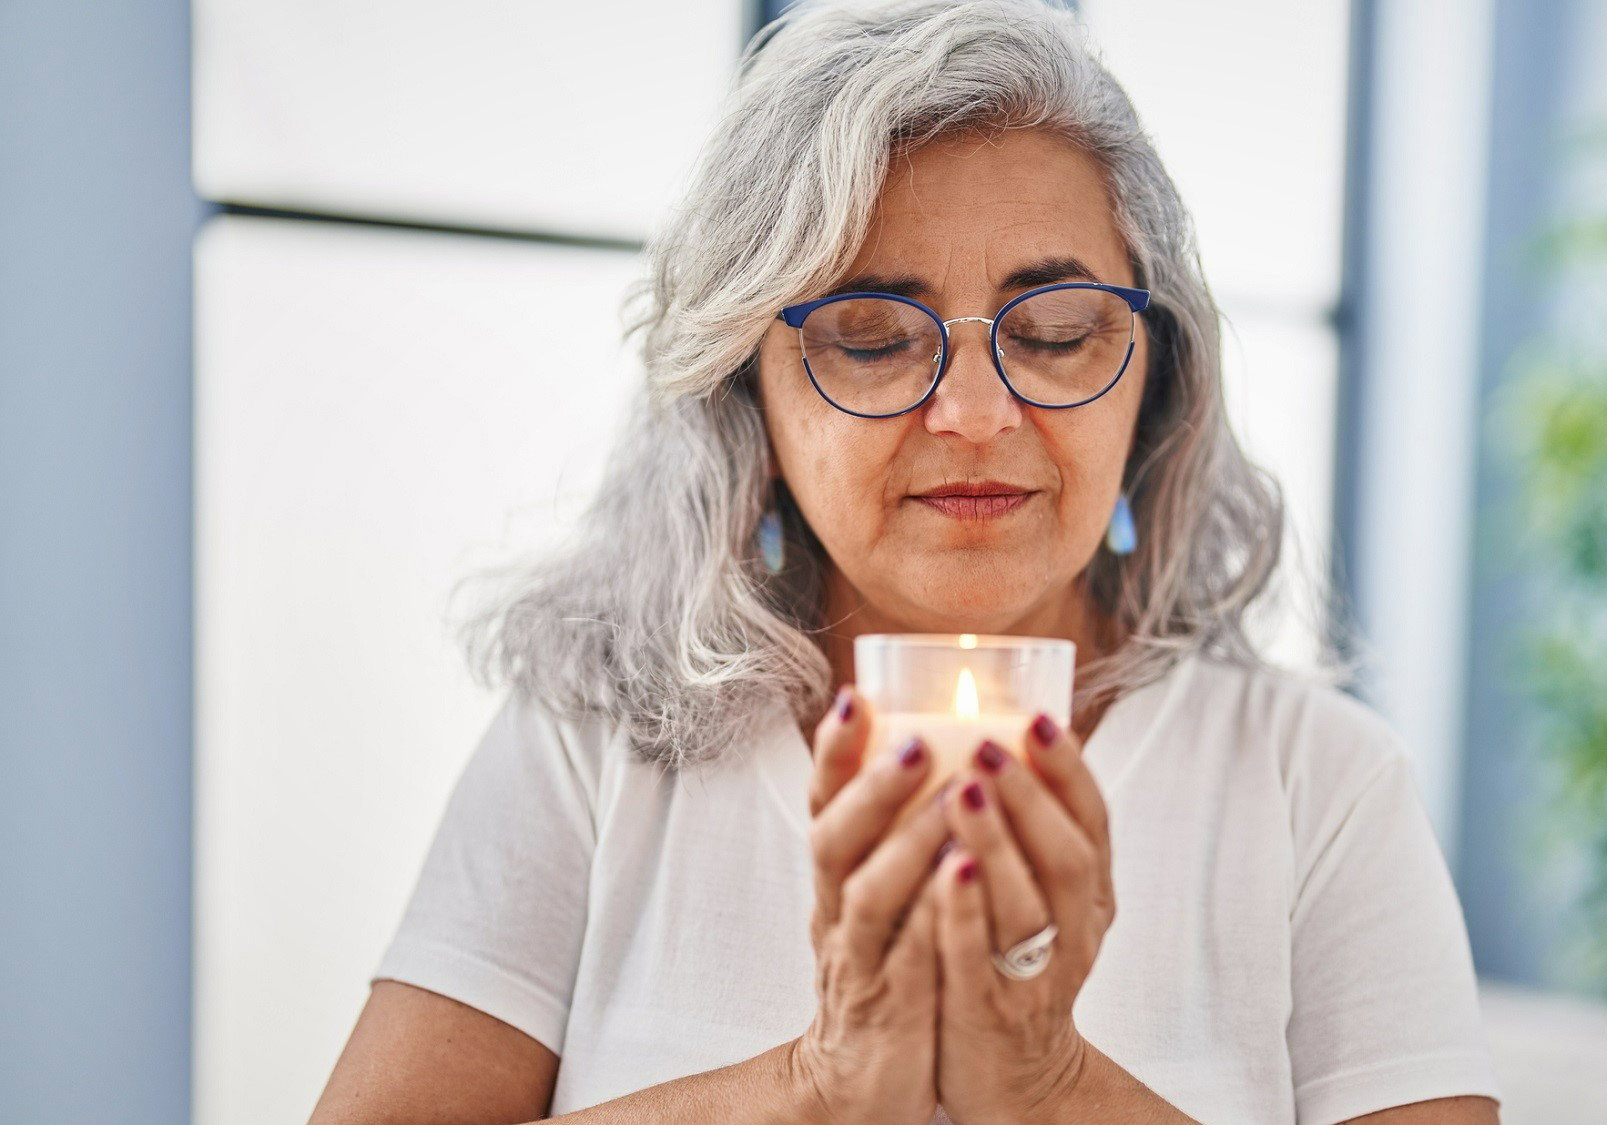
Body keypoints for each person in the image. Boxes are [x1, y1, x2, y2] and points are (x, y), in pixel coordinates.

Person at [309, 1, 1502, 1121]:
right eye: (874, 340)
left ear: (1156, 381)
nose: (976, 413)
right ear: (748, 401)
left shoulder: (1318, 785)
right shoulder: (589, 739)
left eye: (1054, 332)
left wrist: (1046, 1085)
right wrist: (819, 1084)